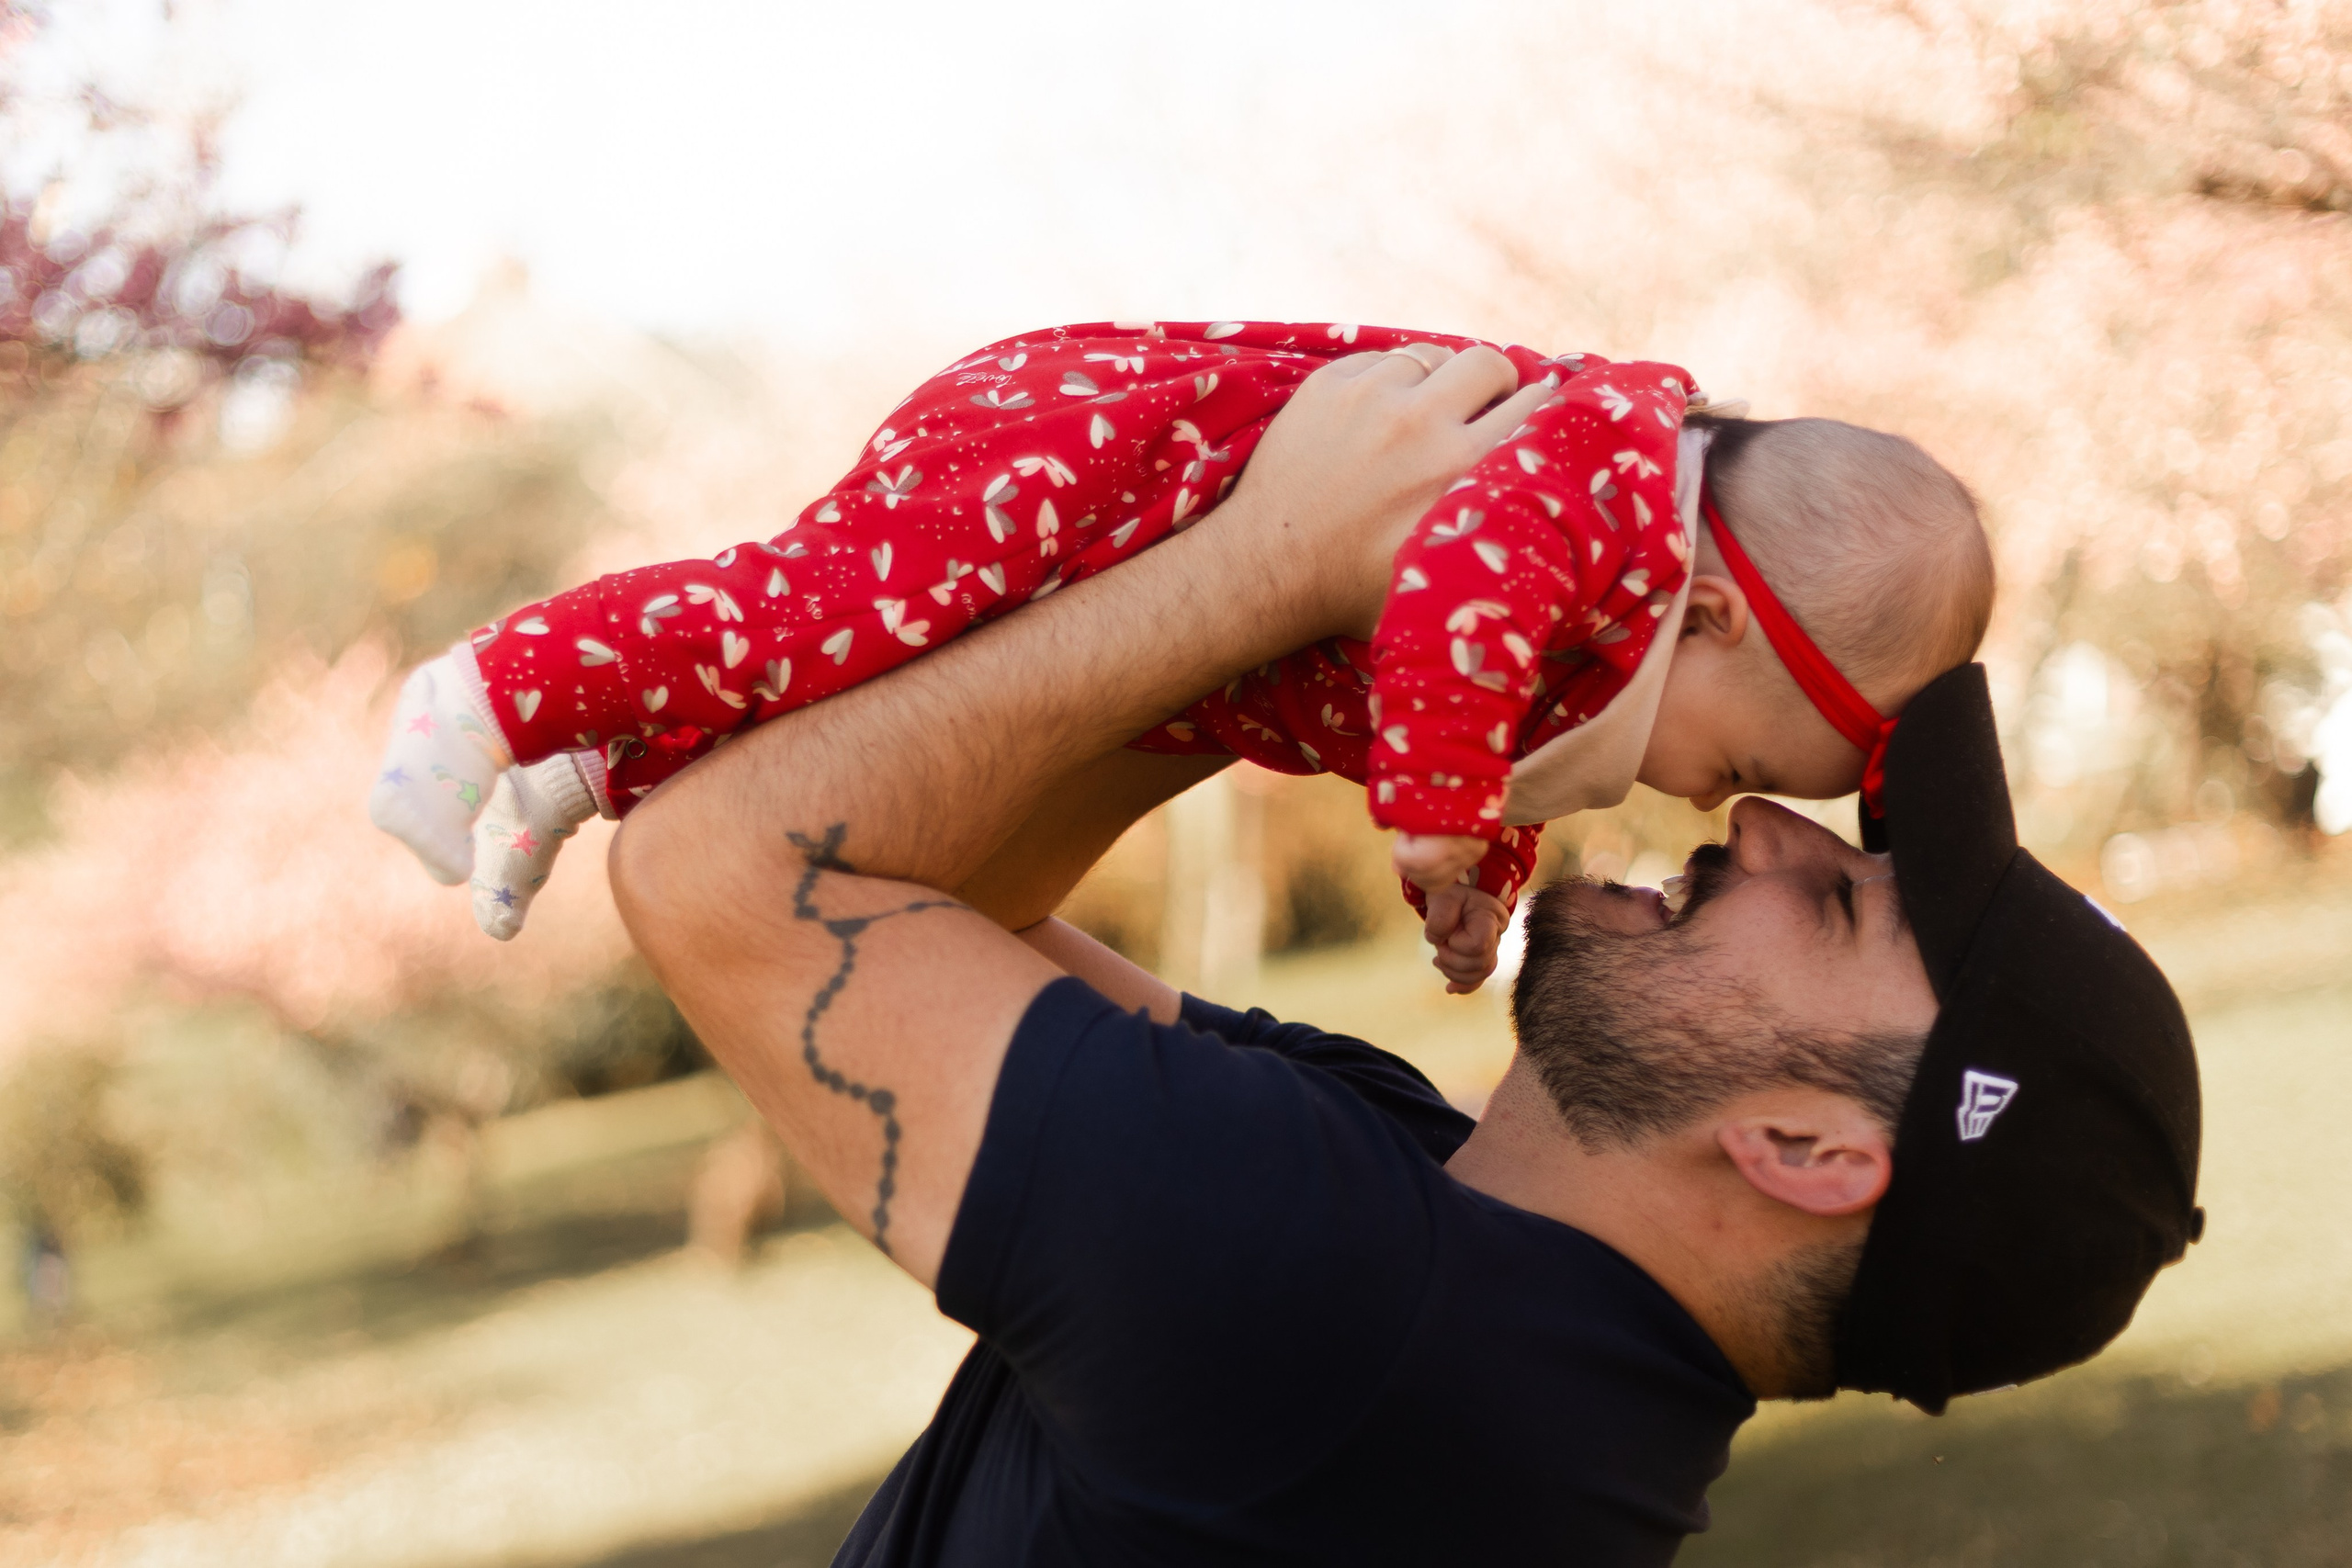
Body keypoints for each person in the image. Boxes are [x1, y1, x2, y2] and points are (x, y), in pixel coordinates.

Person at [603, 346, 2202, 1565]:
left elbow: (715, 866)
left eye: (1846, 907)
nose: (1779, 832)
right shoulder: (1459, 1244)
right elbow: (950, 896)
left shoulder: (1333, 1311)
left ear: (1805, 1147)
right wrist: (1306, 628)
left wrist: (1271, 564)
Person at [368, 321, 1991, 991]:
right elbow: (1453, 622)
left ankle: (576, 768)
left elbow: (1491, 710)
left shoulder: (1602, 621)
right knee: (812, 615)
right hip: (1095, 468)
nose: (1715, 803)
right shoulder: (1599, 477)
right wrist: (1434, 798)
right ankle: (497, 687)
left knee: (826, 702)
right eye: (1750, 766)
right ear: (1710, 614)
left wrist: (1473, 864)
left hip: (1160, 551)